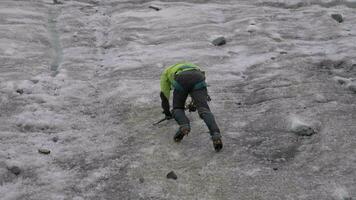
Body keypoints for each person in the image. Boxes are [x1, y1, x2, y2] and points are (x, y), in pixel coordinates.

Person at [159, 62, 223, 152]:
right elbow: (198, 84)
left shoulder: (165, 74)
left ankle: (184, 125)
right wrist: (195, 102)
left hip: (181, 79)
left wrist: (167, 113)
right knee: (204, 109)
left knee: (178, 108)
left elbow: (164, 96)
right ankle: (216, 134)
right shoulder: (193, 66)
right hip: (198, 76)